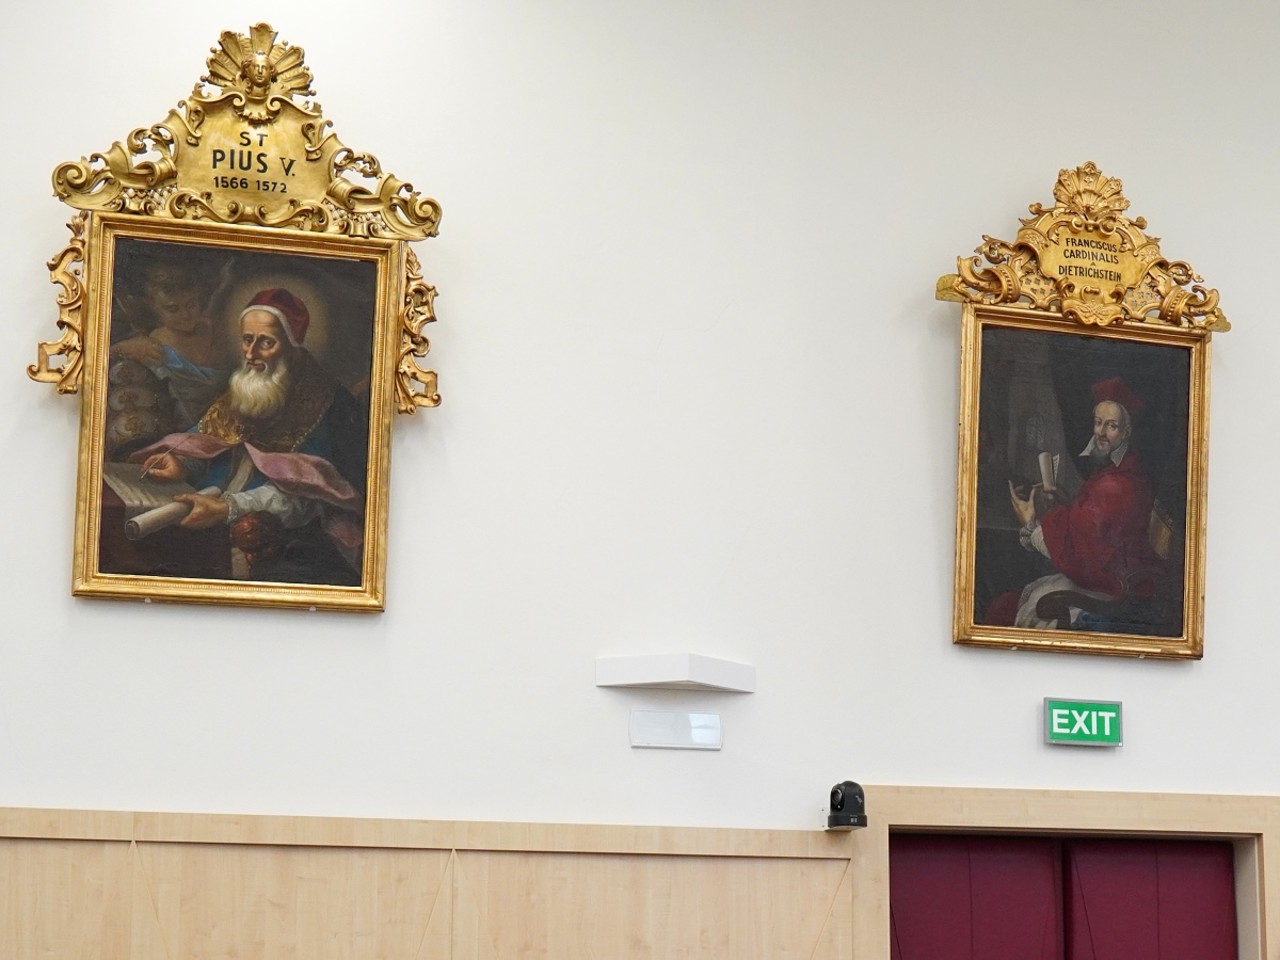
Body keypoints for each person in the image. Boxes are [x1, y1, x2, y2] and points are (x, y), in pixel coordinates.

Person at [135, 288, 368, 586]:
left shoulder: (328, 403)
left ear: (293, 345)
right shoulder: (248, 385)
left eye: (266, 343)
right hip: (208, 509)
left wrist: (229, 508)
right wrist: (182, 464)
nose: (250, 354)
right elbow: (207, 439)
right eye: (247, 340)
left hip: (284, 534)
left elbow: (308, 496)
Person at [991, 378, 1163, 631]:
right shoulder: (1115, 471)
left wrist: (1030, 523)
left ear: (1126, 432)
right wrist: (1064, 504)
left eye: (1112, 426)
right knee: (1007, 604)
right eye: (1098, 422)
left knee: (1011, 609)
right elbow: (1090, 523)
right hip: (1104, 581)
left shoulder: (1117, 485)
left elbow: (1083, 557)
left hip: (1109, 590)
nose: (1101, 433)